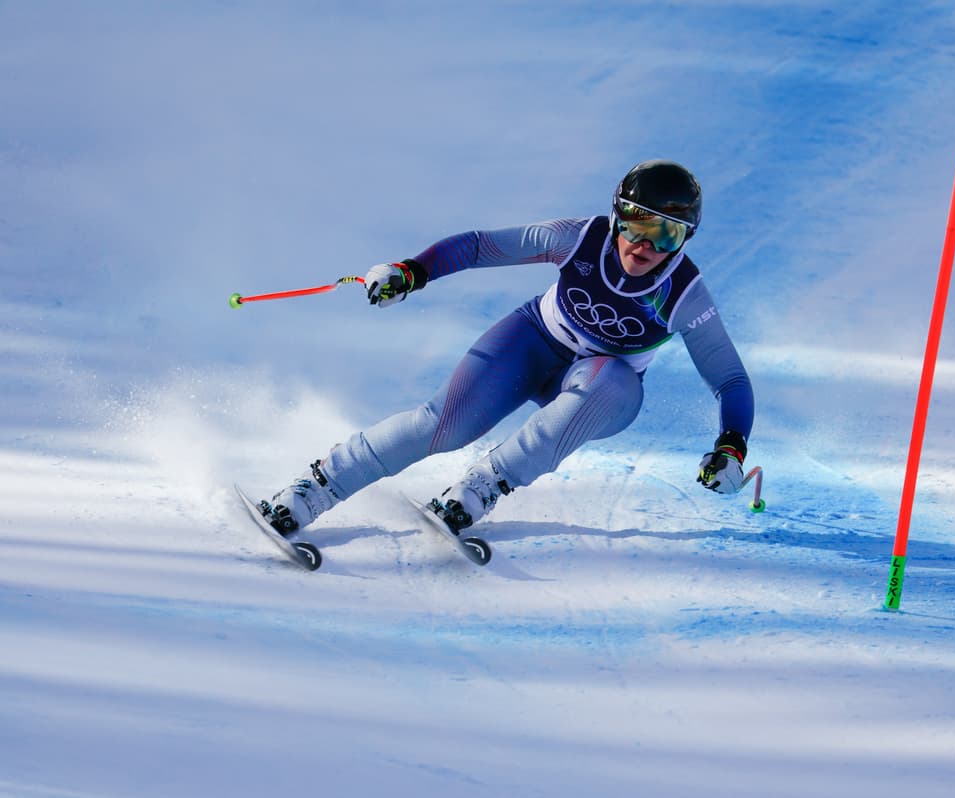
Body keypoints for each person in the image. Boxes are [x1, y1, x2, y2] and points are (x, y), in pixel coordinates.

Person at [260, 159, 755, 538]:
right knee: (442, 425)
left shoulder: (684, 295)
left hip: (602, 387)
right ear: (615, 215)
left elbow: (729, 379)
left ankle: (481, 487)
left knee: (610, 379)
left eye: (665, 234)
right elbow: (481, 246)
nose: (644, 245)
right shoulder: (578, 238)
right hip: (534, 342)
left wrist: (731, 447)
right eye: (634, 224)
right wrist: (412, 271)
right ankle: (315, 488)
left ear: (685, 239)